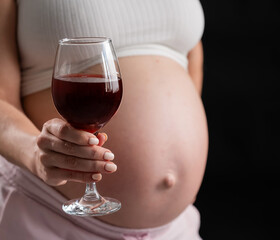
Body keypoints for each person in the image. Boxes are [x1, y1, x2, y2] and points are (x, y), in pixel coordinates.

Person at [0, 0, 208, 239]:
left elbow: (189, 56)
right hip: (50, 217)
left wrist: (186, 160)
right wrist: (35, 154)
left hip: (175, 228)